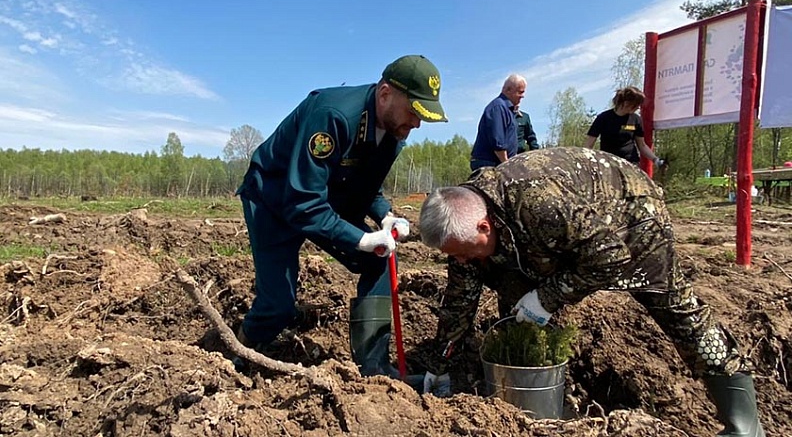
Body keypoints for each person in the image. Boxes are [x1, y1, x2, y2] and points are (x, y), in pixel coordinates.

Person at [418, 147, 764, 437]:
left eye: (464, 252)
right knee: (515, 306)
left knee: (674, 307)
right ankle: (530, 403)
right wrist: (439, 366)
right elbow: (459, 301)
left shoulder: (538, 202)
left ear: (484, 226)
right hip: (556, 233)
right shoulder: (463, 229)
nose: (460, 260)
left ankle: (743, 424)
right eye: (453, 255)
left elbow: (611, 256)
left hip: (628, 214)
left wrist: (548, 297)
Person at [235, 55, 447, 380]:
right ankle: (237, 356)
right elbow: (302, 203)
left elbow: (366, 187)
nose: (417, 123)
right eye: (414, 111)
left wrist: (385, 216)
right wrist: (360, 238)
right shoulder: (333, 116)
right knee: (277, 306)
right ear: (385, 94)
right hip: (274, 200)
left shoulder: (393, 132)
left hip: (321, 198)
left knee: (379, 257)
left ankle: (375, 369)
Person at [585, 86, 664, 167]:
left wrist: (655, 160)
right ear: (627, 103)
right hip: (609, 164)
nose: (638, 107)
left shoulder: (636, 119)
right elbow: (589, 145)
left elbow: (642, 145)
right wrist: (587, 162)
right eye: (637, 104)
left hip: (631, 163)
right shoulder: (603, 118)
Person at [469, 74, 526, 171]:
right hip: (490, 164)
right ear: (508, 90)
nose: (523, 96)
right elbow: (498, 144)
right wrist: (507, 167)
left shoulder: (506, 109)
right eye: (520, 92)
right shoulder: (498, 108)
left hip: (496, 163)